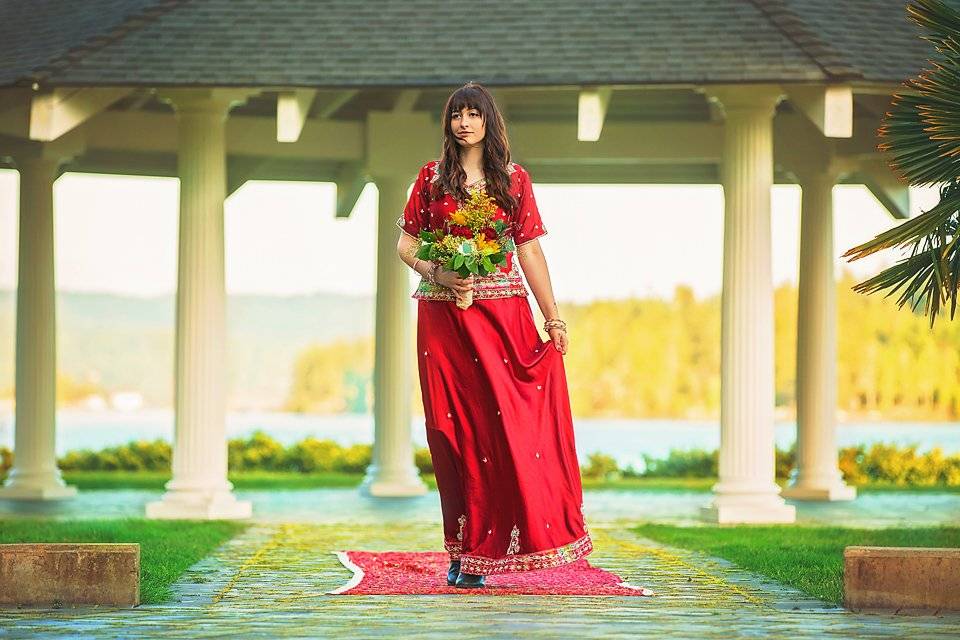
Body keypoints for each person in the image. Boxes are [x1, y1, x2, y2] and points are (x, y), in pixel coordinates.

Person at [395, 82, 592, 589]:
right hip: (443, 319)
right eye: (456, 114)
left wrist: (553, 318)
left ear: (488, 122)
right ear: (448, 123)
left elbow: (528, 252)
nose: (463, 122)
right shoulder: (430, 179)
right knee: (453, 429)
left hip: (503, 320)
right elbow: (406, 244)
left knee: (504, 431)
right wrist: (438, 273)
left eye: (473, 114)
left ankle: (496, 545)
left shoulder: (515, 181)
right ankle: (464, 550)